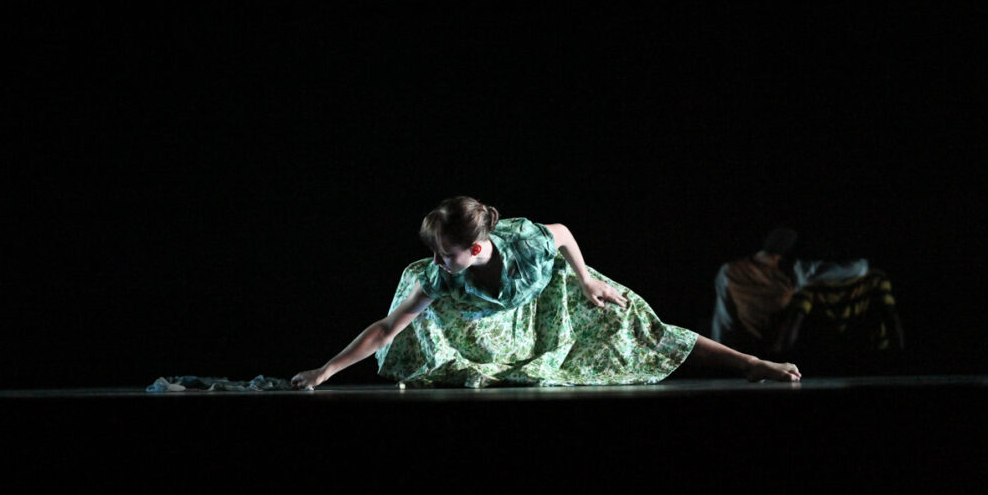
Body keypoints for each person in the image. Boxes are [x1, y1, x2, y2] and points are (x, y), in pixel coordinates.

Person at [292, 197, 801, 389]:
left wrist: (585, 279)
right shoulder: (439, 276)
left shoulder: (527, 245)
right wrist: (325, 371)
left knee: (645, 329)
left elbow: (560, 231)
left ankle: (751, 363)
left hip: (551, 290)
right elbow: (385, 328)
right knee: (446, 353)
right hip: (489, 315)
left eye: (445, 253)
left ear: (475, 248)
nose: (436, 262)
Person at [710, 227, 877, 357]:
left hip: (748, 348)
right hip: (776, 349)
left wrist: (719, 352)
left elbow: (723, 318)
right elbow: (857, 268)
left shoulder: (728, 270)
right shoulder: (794, 270)